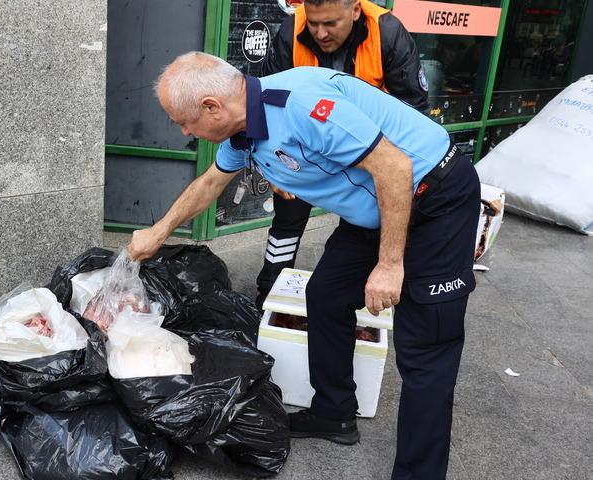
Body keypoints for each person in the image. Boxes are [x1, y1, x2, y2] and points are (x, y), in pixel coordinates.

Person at [128, 52, 479, 480]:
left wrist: (390, 264)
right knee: (326, 295)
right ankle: (335, 413)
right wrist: (158, 233)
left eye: (184, 121)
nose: (184, 131)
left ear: (211, 106)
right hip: (372, 209)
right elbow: (209, 184)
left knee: (426, 349)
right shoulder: (243, 131)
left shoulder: (299, 106)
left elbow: (394, 165)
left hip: (433, 198)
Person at [256, 0, 429, 308]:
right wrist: (271, 171)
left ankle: (370, 292)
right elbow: (264, 99)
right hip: (304, 145)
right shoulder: (289, 30)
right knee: (287, 218)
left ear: (355, 11)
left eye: (331, 24)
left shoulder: (387, 32)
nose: (320, 33)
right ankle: (269, 291)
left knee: (371, 222)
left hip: (371, 148)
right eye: (313, 23)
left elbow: (412, 110)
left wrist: (396, 171)